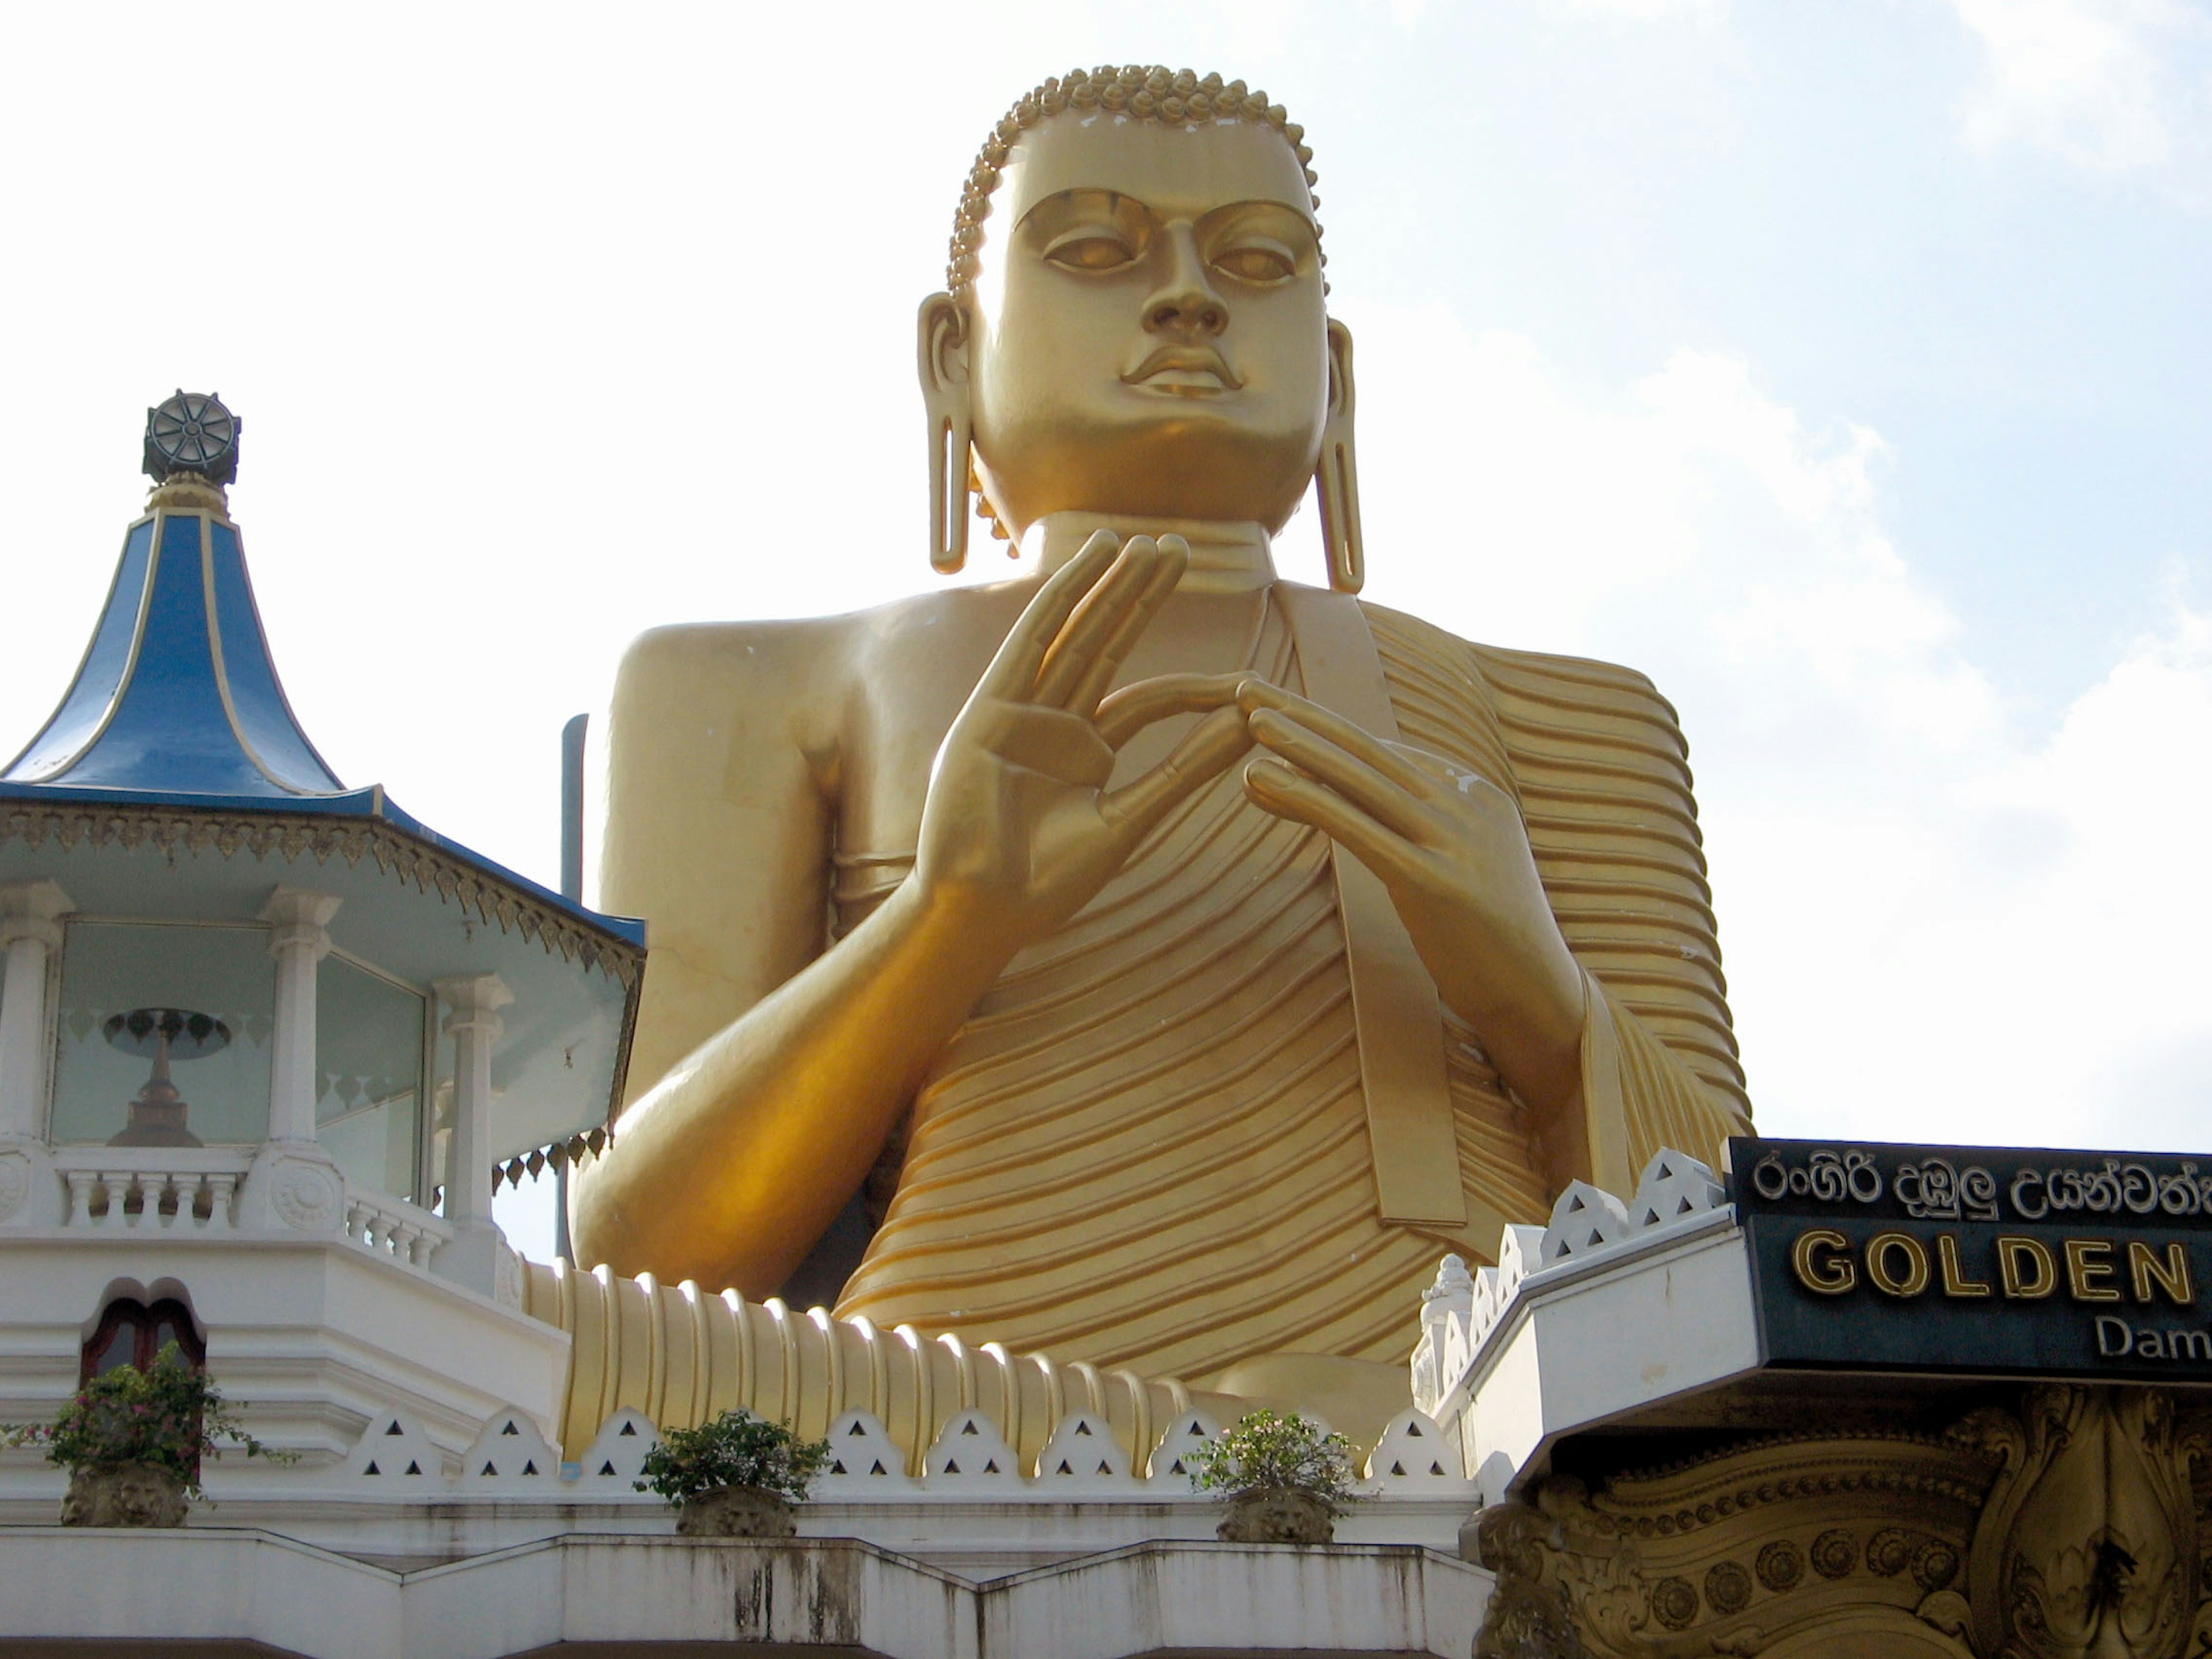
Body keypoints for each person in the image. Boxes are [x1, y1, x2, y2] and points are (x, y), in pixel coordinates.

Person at [571, 65, 1748, 1431]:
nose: (1191, 297)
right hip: (961, 1423)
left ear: (1338, 368)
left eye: (1257, 261)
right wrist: (946, 923)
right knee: (553, 1350)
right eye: (1093, 250)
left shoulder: (1566, 716)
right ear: (953, 354)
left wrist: (1543, 1006)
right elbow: (636, 1263)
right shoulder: (754, 685)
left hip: (1479, 1419)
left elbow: (1752, 1259)